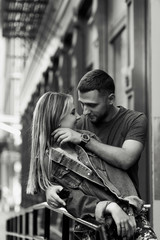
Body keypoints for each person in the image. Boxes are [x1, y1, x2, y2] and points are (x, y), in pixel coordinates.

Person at [27, 91, 157, 240]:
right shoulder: (48, 162)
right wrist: (110, 207)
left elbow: (116, 170)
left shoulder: (85, 137)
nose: (78, 116)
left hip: (129, 214)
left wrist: (129, 208)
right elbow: (73, 200)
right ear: (57, 120)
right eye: (72, 112)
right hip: (99, 227)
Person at [46, 69, 147, 209]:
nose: (85, 111)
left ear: (110, 99)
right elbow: (62, 165)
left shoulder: (135, 120)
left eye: (92, 105)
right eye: (82, 104)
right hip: (91, 214)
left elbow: (126, 159)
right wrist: (51, 189)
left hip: (127, 205)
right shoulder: (78, 124)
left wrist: (84, 139)